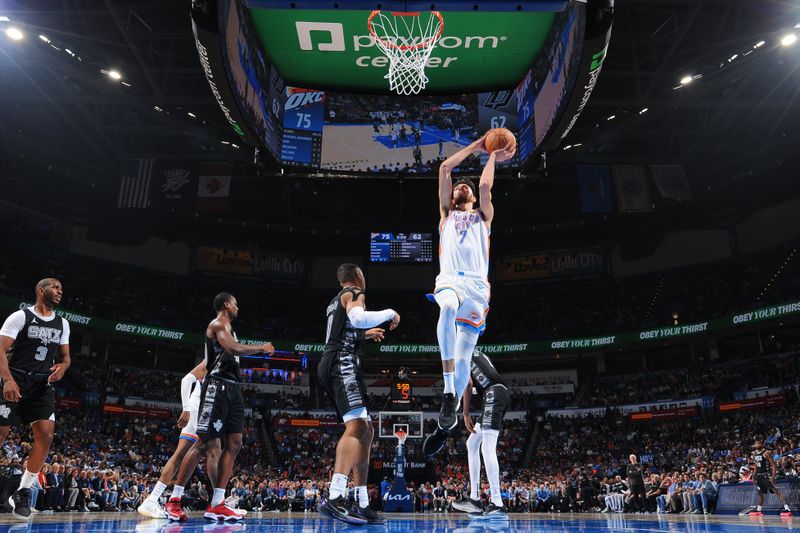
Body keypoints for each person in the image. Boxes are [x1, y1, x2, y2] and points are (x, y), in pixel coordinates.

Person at [427, 136, 514, 433]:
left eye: (468, 187)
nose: (463, 187)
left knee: (464, 356)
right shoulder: (446, 215)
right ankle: (449, 392)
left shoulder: (483, 217)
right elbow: (445, 169)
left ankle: (453, 390)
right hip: (451, 280)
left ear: (474, 198)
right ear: (451, 198)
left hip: (478, 289)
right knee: (447, 306)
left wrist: (493, 155)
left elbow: (487, 186)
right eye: (459, 187)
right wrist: (478, 145)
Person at [165, 292, 274, 522]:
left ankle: (217, 503)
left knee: (235, 443)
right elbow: (233, 348)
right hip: (217, 386)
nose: (238, 307)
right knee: (203, 443)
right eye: (235, 303)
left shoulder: (230, 327)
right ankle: (173, 500)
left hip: (233, 389)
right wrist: (261, 348)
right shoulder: (218, 324)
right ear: (226, 305)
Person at [317, 263, 399, 525]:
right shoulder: (353, 292)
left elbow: (345, 330)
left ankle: (362, 501)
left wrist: (363, 336)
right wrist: (390, 312)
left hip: (338, 360)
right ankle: (335, 496)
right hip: (342, 362)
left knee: (367, 429)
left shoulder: (334, 301)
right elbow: (357, 319)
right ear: (356, 276)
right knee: (355, 427)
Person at [0, 278, 71, 520]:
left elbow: (65, 357)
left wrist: (62, 367)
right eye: (55, 287)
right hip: (16, 379)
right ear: (41, 290)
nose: (60, 291)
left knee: (46, 436)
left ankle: (23, 491)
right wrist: (8, 380)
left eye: (61, 289)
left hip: (42, 385)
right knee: (1, 433)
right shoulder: (20, 317)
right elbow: (0, 349)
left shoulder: (63, 323)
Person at [430, 349, 511, 519]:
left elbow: (468, 384)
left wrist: (465, 413)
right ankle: (474, 499)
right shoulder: (474, 349)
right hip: (495, 393)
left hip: (493, 393)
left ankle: (497, 502)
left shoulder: (460, 351)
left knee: (487, 448)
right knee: (472, 443)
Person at [137, 360, 207, 518]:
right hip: (203, 407)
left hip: (197, 404)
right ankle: (217, 503)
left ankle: (153, 498)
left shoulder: (217, 350)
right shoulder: (220, 352)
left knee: (181, 455)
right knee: (212, 452)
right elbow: (186, 380)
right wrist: (186, 409)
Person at [749, 436, 792, 517]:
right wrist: (753, 476)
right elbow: (756, 466)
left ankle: (787, 508)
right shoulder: (754, 454)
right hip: (759, 476)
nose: (757, 444)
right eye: (756, 443)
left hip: (766, 475)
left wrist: (773, 476)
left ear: (761, 444)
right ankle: (759, 510)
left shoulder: (766, 452)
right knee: (760, 493)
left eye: (759, 443)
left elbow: (774, 465)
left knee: (777, 492)